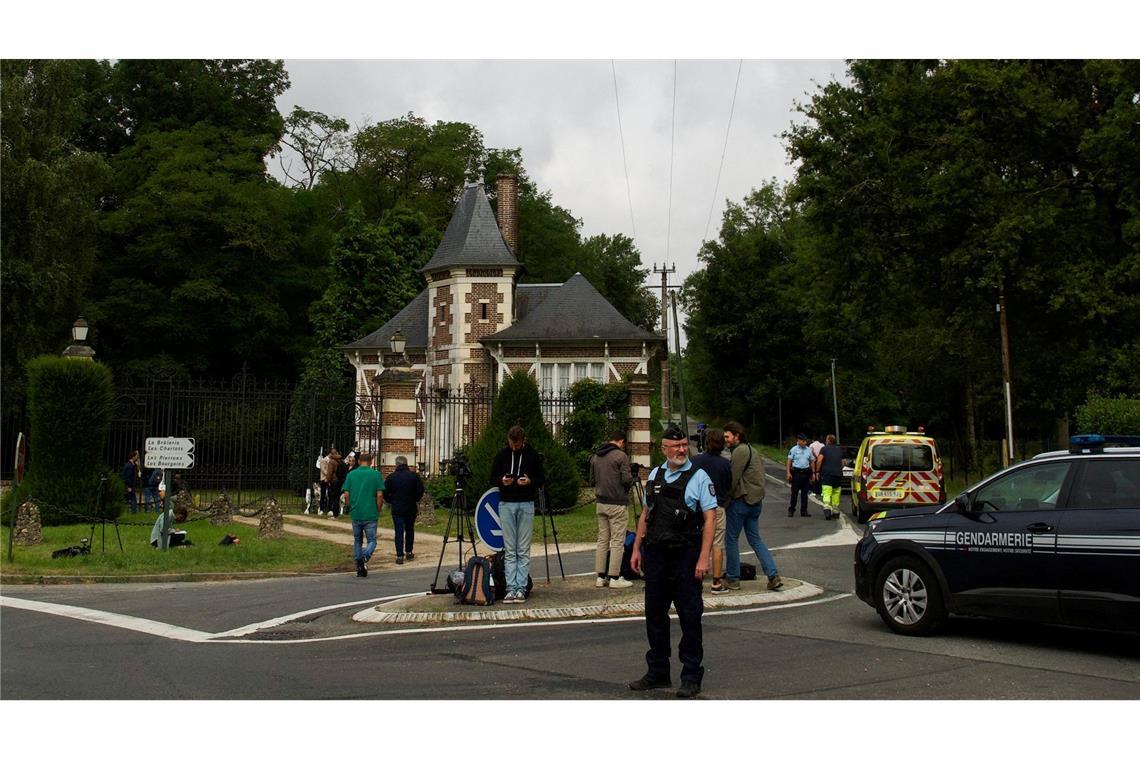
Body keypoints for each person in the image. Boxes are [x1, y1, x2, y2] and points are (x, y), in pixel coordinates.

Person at [627, 424, 717, 699]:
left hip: (685, 556)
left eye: (683, 445)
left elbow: (710, 519)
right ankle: (657, 671)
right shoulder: (655, 474)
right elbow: (646, 514)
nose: (680, 450)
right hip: (656, 555)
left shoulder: (699, 477)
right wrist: (636, 549)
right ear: (663, 448)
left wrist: (704, 558)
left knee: (690, 617)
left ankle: (691, 675)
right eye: (674, 446)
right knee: (654, 615)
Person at [722, 421, 783, 592]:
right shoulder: (753, 450)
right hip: (756, 502)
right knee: (755, 540)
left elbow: (733, 479)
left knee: (731, 540)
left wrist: (725, 502)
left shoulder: (740, 452)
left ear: (737, 436)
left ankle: (733, 579)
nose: (725, 440)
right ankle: (773, 575)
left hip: (741, 502)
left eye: (727, 436)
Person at [490, 426, 545, 604]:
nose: (514, 448)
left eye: (517, 444)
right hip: (506, 503)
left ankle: (521, 587)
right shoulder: (501, 455)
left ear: (523, 441)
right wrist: (502, 481)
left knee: (523, 548)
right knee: (510, 549)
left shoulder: (532, 455)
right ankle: (510, 588)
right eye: (512, 444)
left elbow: (542, 478)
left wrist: (529, 481)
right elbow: (492, 477)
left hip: (526, 502)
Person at [588, 429, 635, 589]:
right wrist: (632, 479)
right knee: (617, 541)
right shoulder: (621, 456)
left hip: (601, 502)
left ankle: (600, 577)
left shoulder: (595, 456)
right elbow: (627, 480)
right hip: (617, 503)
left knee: (602, 540)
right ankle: (615, 576)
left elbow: (592, 479)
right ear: (621, 441)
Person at [692, 428, 732, 594]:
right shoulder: (725, 464)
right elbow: (728, 485)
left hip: (697, 507)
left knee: (695, 542)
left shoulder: (695, 461)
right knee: (717, 545)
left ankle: (694, 578)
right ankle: (716, 582)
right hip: (717, 507)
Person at [342, 452, 384, 577]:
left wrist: (349, 506)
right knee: (372, 540)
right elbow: (380, 494)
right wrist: (379, 508)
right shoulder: (376, 474)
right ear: (371, 461)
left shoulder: (351, 474)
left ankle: (358, 564)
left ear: (359, 461)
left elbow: (346, 494)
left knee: (357, 540)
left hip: (356, 511)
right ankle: (365, 557)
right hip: (370, 511)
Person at [384, 455, 424, 564]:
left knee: (399, 531)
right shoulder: (414, 476)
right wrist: (415, 499)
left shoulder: (391, 477)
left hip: (397, 507)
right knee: (410, 529)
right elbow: (420, 490)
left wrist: (391, 500)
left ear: (396, 464)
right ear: (406, 464)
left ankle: (399, 555)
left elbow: (385, 492)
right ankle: (409, 551)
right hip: (411, 506)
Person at [815, 434, 845, 521]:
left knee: (827, 491)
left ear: (828, 440)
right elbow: (842, 462)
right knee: (836, 492)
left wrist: (817, 471)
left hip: (827, 474)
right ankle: (836, 511)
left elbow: (819, 460)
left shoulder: (824, 449)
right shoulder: (839, 449)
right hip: (838, 474)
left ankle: (827, 510)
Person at [786, 432, 815, 517]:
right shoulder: (794, 449)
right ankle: (791, 510)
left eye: (806, 441)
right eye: (803, 441)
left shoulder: (809, 450)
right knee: (794, 493)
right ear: (799, 441)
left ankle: (804, 511)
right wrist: (788, 472)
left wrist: (813, 473)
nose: (805, 442)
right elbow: (789, 461)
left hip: (805, 474)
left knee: (805, 494)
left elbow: (812, 461)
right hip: (796, 474)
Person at [320, 446, 342, 517]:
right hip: (324, 479)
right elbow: (323, 470)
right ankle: (321, 509)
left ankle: (330, 509)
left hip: (331, 479)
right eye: (334, 453)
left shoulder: (334, 461)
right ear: (330, 453)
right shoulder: (323, 460)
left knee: (330, 495)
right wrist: (329, 476)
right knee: (323, 495)